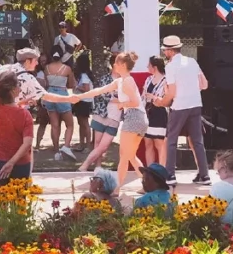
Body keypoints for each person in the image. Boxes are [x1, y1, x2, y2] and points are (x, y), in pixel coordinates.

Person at [73, 52, 147, 192]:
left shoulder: (126, 81)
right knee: (130, 155)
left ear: (123, 65)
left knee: (124, 156)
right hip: (139, 119)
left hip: (133, 118)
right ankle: (147, 184)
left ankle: (116, 189)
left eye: (117, 63)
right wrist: (79, 97)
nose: (114, 65)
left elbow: (135, 102)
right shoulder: (121, 81)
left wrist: (120, 104)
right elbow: (100, 90)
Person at [157, 35, 209, 186]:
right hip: (195, 104)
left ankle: (170, 175)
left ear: (171, 51)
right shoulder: (192, 61)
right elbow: (204, 85)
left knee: (171, 141)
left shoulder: (171, 66)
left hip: (179, 106)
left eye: (165, 50)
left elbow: (171, 92)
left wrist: (161, 102)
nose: (164, 53)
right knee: (197, 141)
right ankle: (204, 175)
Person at [0, 71, 33, 190]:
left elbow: (0, 107)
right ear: (12, 90)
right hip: (20, 163)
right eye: (18, 85)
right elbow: (27, 144)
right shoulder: (24, 114)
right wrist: (11, 162)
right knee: (19, 204)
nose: (19, 87)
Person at [78, 72, 120, 173]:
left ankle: (85, 166)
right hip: (101, 113)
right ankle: (97, 167)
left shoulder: (125, 80)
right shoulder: (105, 78)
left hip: (115, 117)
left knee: (103, 146)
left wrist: (117, 98)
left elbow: (125, 97)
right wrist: (117, 98)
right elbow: (103, 95)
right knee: (97, 143)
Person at [39, 51, 77, 160]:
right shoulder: (67, 68)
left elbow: (46, 83)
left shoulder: (46, 68)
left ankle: (56, 152)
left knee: (54, 125)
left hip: (50, 94)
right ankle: (66, 146)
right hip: (62, 94)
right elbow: (71, 84)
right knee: (69, 124)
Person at [143, 56, 168, 167]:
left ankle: (162, 170)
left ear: (155, 67)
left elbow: (167, 98)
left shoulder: (165, 81)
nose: (147, 67)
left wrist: (153, 97)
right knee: (148, 143)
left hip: (159, 113)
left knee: (160, 144)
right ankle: (150, 171)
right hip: (147, 113)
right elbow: (143, 95)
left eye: (149, 65)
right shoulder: (148, 79)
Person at [72, 53, 93, 151]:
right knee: (81, 123)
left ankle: (88, 145)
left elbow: (86, 89)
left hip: (84, 101)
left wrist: (76, 86)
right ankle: (81, 144)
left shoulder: (84, 76)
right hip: (82, 101)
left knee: (84, 123)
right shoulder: (85, 75)